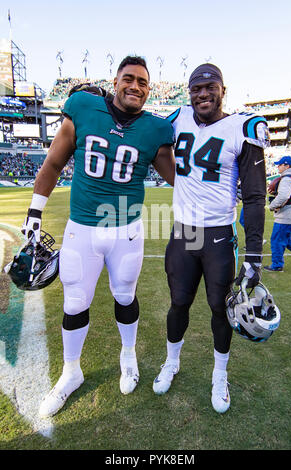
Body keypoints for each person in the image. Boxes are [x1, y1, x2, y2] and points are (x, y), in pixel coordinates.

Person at [21, 56, 175, 418]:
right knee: (75, 303)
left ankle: (128, 355)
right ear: (116, 81)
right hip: (83, 228)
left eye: (142, 82)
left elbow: (177, 179)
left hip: (127, 231)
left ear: (148, 89)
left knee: (125, 294)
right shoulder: (85, 108)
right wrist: (34, 212)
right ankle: (71, 371)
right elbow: (53, 164)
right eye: (129, 79)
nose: (135, 86)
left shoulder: (155, 130)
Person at [152, 63, 268, 413]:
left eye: (210, 87)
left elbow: (254, 196)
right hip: (184, 230)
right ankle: (171, 362)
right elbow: (149, 138)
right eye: (196, 89)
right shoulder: (178, 118)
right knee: (179, 303)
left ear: (222, 89)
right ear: (189, 93)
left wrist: (254, 256)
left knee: (221, 309)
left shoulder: (241, 127)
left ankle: (220, 374)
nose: (202, 94)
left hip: (219, 234)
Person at [264, 156, 291, 272]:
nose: (278, 166)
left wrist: (272, 206)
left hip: (286, 216)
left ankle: (277, 265)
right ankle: (277, 263)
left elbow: (284, 196)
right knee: (287, 240)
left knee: (277, 240)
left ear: (286, 166)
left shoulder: (287, 179)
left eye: (280, 165)